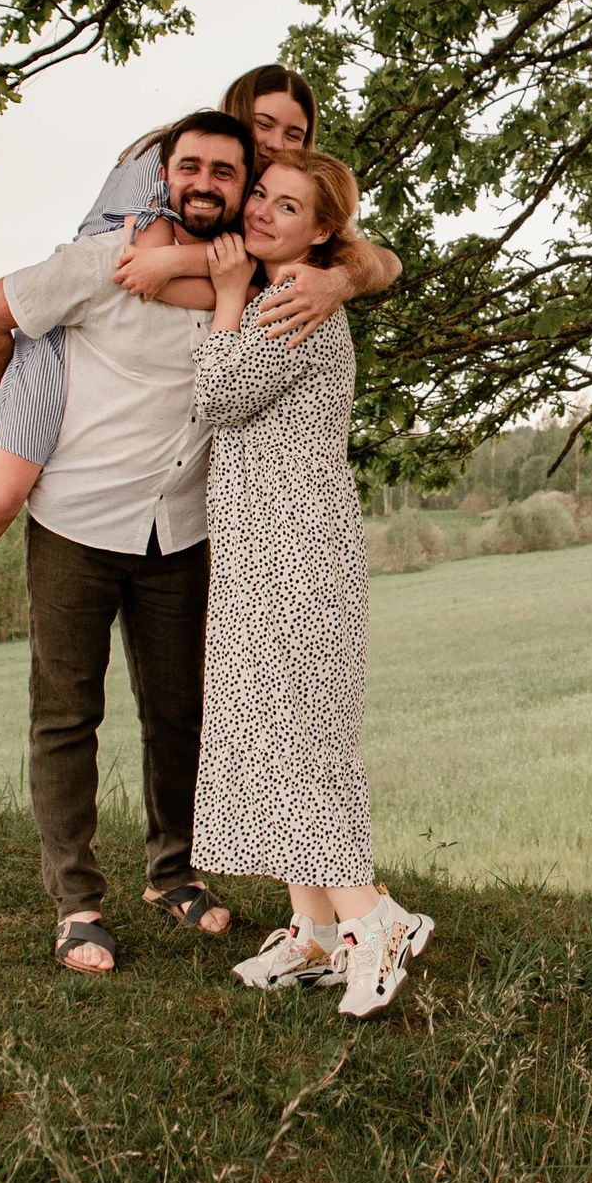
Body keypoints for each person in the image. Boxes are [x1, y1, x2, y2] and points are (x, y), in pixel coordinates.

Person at [0, 66, 397, 770]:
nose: (276, 140)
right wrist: (224, 273)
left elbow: (373, 256)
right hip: (65, 328)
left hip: (146, 363)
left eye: (294, 132)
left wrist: (338, 274)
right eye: (264, 125)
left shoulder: (268, 201)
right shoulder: (166, 160)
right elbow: (137, 267)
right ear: (233, 116)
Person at [0, 109, 253, 974]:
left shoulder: (255, 273)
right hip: (75, 525)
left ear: (243, 185)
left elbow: (351, 256)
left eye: (224, 172)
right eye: (190, 166)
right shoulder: (95, 265)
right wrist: (24, 397)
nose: (206, 182)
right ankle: (77, 902)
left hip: (181, 528)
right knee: (65, 716)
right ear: (165, 174)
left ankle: (173, 873)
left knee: (178, 715)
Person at [191, 149, 434, 1018]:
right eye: (260, 193)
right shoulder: (282, 291)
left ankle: (374, 918)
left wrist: (222, 300)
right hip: (266, 548)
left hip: (295, 553)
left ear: (321, 230)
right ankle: (314, 930)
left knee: (299, 739)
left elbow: (216, 394)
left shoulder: (292, 300)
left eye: (284, 205)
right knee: (270, 726)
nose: (259, 210)